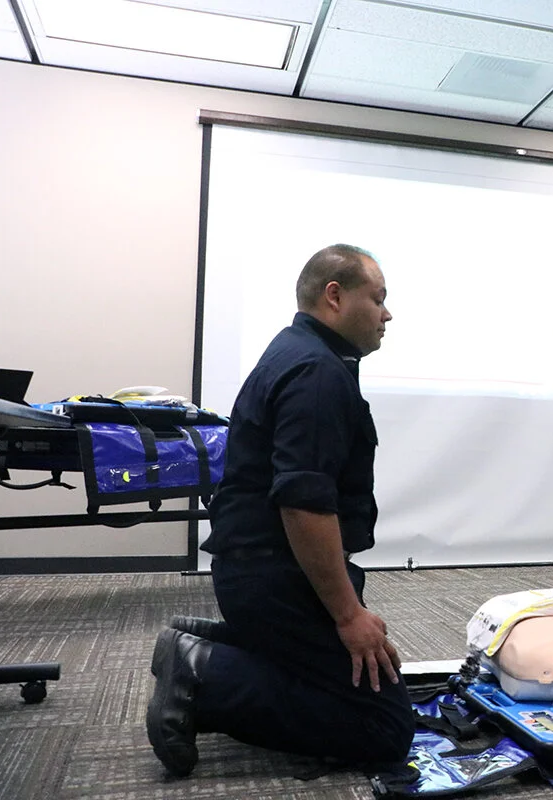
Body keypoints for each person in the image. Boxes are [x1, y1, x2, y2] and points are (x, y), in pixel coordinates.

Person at [146, 244, 414, 778]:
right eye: (378, 298)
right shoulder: (316, 372)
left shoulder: (301, 352)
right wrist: (347, 616)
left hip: (261, 570)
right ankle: (206, 673)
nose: (388, 314)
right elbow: (303, 504)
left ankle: (218, 644)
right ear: (334, 296)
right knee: (385, 727)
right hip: (275, 573)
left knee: (365, 676)